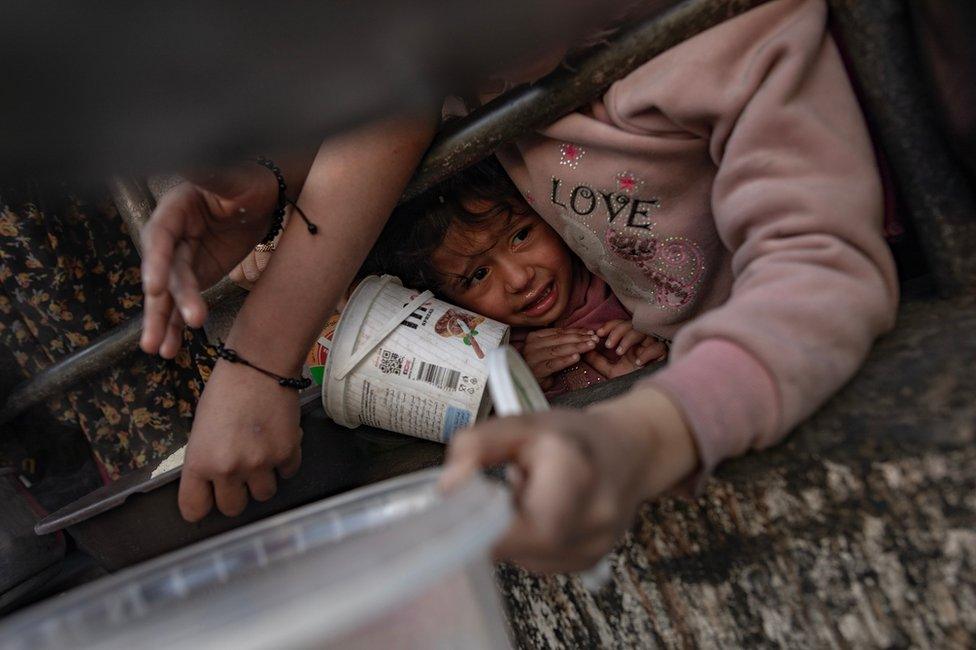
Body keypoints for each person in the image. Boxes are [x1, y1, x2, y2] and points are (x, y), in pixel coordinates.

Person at [140, 0, 898, 573]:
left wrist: (645, 436)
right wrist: (258, 189)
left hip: (755, 377)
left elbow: (822, 268)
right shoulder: (495, 58)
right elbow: (390, 112)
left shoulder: (734, 29)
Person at [366, 157, 668, 396]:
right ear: (447, 300)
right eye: (478, 275)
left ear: (547, 212)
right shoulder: (485, 361)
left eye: (521, 236)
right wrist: (524, 382)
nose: (520, 279)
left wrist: (654, 354)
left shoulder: (628, 284)